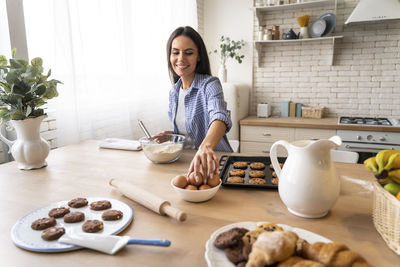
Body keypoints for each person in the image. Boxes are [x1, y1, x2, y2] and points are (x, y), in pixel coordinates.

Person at [154, 26, 232, 184]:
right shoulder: (174, 93)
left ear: (198, 56)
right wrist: (173, 135)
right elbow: (189, 133)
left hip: (216, 164)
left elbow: (219, 116)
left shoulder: (210, 84)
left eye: (188, 53)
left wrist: (206, 147)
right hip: (189, 164)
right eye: (175, 52)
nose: (180, 59)